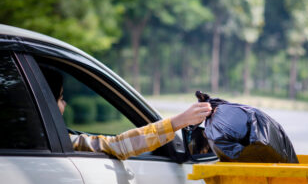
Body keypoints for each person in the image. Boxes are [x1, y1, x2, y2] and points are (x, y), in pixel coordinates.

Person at [41, 66, 211, 160]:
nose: (65, 103)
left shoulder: (38, 139)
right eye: (61, 97)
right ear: (46, 102)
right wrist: (178, 121)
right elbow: (118, 146)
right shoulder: (66, 142)